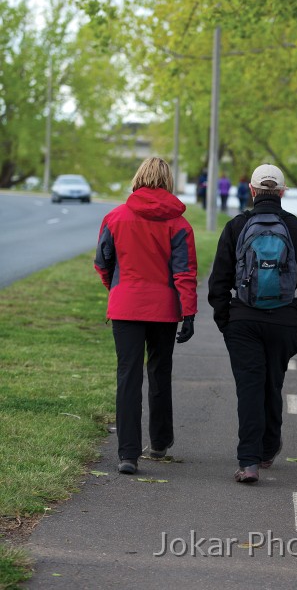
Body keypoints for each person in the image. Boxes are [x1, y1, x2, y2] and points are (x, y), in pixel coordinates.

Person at [208, 163, 297, 483]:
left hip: (243, 320)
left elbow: (219, 281)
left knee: (249, 388)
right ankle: (269, 447)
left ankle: (249, 463)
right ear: (283, 193)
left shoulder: (236, 226)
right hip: (285, 321)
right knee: (273, 383)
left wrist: (226, 321)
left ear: (253, 191)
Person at [94, 157, 198, 475]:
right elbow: (185, 273)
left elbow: (102, 262)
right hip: (164, 308)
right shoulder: (179, 225)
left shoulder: (115, 217)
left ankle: (127, 454)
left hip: (125, 304)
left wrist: (117, 289)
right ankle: (160, 442)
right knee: (159, 372)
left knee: (128, 376)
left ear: (138, 178)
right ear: (168, 182)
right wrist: (189, 312)